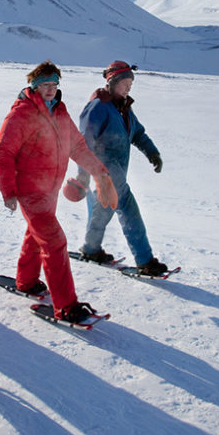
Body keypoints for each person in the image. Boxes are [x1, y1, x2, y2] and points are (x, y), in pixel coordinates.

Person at [0, 61, 118, 323]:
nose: (50, 89)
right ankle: (67, 306)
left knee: (35, 234)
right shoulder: (22, 114)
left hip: (49, 188)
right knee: (54, 241)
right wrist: (8, 191)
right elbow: (3, 153)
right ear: (34, 86)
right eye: (45, 85)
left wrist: (100, 172)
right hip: (30, 190)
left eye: (54, 84)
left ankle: (26, 282)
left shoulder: (59, 112)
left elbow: (78, 146)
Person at [67, 61, 168, 275]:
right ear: (112, 82)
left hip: (116, 175)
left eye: (130, 84)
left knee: (111, 214)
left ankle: (95, 249)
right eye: (124, 83)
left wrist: (152, 152)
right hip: (103, 174)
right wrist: (83, 174)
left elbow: (138, 134)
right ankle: (141, 259)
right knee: (120, 213)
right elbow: (83, 141)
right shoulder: (98, 107)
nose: (128, 88)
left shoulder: (123, 108)